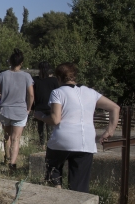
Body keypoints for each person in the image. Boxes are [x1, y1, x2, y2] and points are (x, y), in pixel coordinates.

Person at [33, 63, 119, 193]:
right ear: (75, 76)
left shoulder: (58, 92)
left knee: (53, 164)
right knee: (79, 183)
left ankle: (56, 187)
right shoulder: (91, 92)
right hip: (86, 143)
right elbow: (115, 108)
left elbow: (56, 119)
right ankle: (77, 200)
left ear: (59, 78)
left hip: (63, 139)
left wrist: (41, 116)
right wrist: (109, 131)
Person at [0, 48, 34, 172]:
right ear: (21, 63)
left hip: (5, 110)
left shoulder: (2, 75)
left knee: (7, 136)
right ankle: (13, 164)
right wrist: (29, 108)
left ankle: (6, 157)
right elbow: (31, 95)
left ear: (10, 61)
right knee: (16, 138)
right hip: (20, 111)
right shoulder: (26, 76)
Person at [32, 61, 59, 146]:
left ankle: (42, 143)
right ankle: (50, 143)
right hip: (50, 106)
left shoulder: (35, 80)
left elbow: (32, 94)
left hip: (39, 106)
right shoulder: (54, 80)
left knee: (40, 127)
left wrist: (32, 107)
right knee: (50, 127)